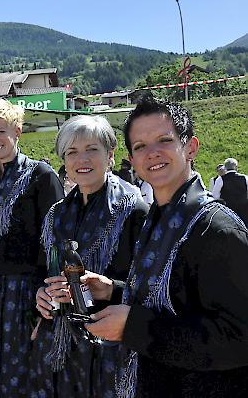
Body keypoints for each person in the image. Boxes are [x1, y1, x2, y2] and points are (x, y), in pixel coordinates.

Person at [85, 96, 248, 397]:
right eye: (140, 146)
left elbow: (238, 338)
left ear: (191, 147)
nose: (152, 153)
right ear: (132, 160)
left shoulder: (217, 230)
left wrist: (134, 326)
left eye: (164, 140)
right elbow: (172, 299)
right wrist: (113, 291)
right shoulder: (158, 218)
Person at [31, 115, 148, 397]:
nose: (81, 159)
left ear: (110, 154)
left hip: (112, 345)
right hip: (62, 345)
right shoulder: (56, 214)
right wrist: (41, 294)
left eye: (91, 149)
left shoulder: (133, 210)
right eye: (72, 152)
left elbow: (150, 288)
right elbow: (41, 270)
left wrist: (111, 290)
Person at [0, 98, 64, 397]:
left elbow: (54, 245)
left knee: (21, 376)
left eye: (1, 132)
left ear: (17, 131)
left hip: (23, 295)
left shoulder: (41, 176)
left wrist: (44, 306)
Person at [212, 157, 248, 224]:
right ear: (236, 167)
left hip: (228, 211)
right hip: (244, 209)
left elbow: (215, 196)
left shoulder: (220, 179)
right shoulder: (245, 178)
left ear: (225, 168)